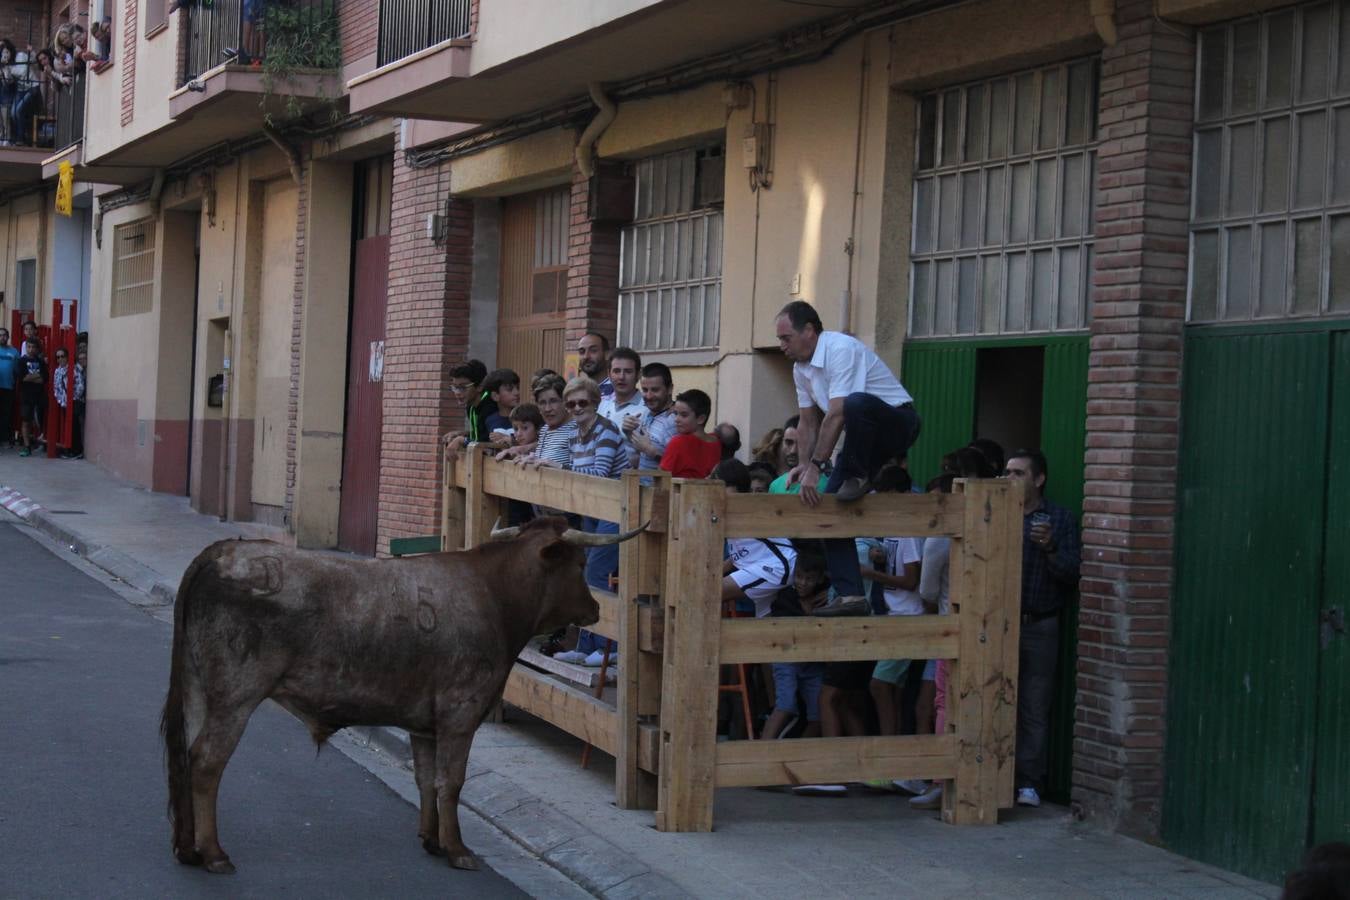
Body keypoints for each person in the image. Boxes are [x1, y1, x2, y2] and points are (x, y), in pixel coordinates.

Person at [776, 300, 919, 617]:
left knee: (855, 404)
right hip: (861, 441)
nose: (781, 345)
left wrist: (817, 467)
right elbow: (808, 421)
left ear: (809, 331)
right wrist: (802, 463)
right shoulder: (801, 368)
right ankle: (852, 595)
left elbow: (837, 413)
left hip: (897, 424)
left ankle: (859, 476)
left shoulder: (841, 348)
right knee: (828, 510)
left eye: (786, 338)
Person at [1003, 449, 1081, 808]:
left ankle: (1029, 783)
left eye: (1018, 473)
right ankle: (997, 777)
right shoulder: (997, 515)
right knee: (996, 698)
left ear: (1038, 479)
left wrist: (1049, 547)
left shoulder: (1060, 519)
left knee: (1034, 705)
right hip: (1000, 623)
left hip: (1040, 624)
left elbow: (1071, 573)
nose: (1009, 479)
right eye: (1007, 472)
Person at [543, 376, 626, 666]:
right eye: (571, 403)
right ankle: (586, 644)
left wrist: (559, 468)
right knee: (585, 574)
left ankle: (608, 648)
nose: (577, 408)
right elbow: (579, 470)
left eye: (582, 402)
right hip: (592, 510)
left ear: (595, 401)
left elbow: (601, 474)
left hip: (615, 509)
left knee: (597, 575)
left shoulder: (606, 430)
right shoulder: (575, 434)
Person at [909, 472, 957, 811]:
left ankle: (940, 780)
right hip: (981, 626)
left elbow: (926, 591)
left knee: (943, 701)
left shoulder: (938, 537)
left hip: (947, 626)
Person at [714, 459, 797, 619]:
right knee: (765, 628)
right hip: (759, 567)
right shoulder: (727, 508)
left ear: (737, 485)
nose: (717, 490)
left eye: (722, 485)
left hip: (777, 567)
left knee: (711, 591)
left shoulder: (746, 507)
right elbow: (740, 554)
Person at [761, 554, 828, 741]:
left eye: (809, 579)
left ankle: (796, 755)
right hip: (787, 659)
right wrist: (811, 612)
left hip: (813, 662)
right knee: (785, 705)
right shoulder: (785, 597)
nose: (803, 583)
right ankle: (763, 752)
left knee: (819, 716)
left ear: (820, 579)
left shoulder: (828, 594)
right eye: (799, 577)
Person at [625, 362, 677, 472]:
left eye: (655, 390)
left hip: (661, 489)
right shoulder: (646, 414)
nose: (648, 396)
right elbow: (640, 453)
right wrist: (628, 432)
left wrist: (650, 451)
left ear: (670, 389)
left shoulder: (675, 420)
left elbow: (679, 464)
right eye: (645, 390)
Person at [660, 389, 722, 479]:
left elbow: (661, 478)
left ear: (701, 419)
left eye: (684, 415)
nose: (676, 419)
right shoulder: (716, 442)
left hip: (682, 492)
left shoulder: (678, 442)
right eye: (676, 413)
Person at [597, 347, 643, 464]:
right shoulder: (601, 406)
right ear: (609, 374)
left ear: (638, 374)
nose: (621, 377)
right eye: (616, 371)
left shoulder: (648, 408)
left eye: (628, 371)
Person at [442, 360, 494, 451]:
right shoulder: (470, 405)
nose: (457, 393)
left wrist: (462, 440)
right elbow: (479, 434)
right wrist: (462, 434)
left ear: (480, 386)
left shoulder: (491, 407)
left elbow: (488, 443)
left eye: (463, 387)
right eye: (455, 387)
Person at [768, 416, 826, 495]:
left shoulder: (827, 484)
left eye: (801, 444)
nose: (793, 451)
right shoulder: (775, 485)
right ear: (782, 443)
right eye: (788, 442)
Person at [52, 346, 84, 459]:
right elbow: (56, 387)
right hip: (64, 403)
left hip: (74, 402)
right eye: (58, 357)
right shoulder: (57, 370)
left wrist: (73, 398)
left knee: (74, 427)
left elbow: (80, 386)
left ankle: (77, 451)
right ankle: (69, 449)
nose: (60, 359)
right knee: (68, 427)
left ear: (67, 357)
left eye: (62, 356)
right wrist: (60, 400)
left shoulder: (74, 369)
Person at [17, 337, 46, 457]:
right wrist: (36, 376)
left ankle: (41, 442)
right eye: (29, 346)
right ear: (26, 347)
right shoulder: (21, 361)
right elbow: (23, 378)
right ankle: (27, 446)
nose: (31, 349)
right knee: (26, 421)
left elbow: (43, 379)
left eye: (33, 347)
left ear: (37, 348)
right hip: (26, 395)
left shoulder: (41, 362)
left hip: (39, 395)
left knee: (40, 420)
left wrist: (31, 376)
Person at [480, 368, 520, 446]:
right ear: (495, 396)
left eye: (517, 388)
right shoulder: (490, 420)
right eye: (510, 389)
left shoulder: (525, 417)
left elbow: (532, 443)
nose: (517, 393)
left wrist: (507, 438)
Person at [577, 332, 613, 398]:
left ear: (607, 354)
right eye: (582, 352)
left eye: (593, 350)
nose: (586, 356)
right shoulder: (575, 391)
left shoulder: (617, 390)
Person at [0, 327, 18, 447]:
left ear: (8, 337)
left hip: (8, 387)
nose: (2, 337)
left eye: (5, 335)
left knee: (6, 414)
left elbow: (18, 369)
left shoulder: (14, 352)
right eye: (0, 335)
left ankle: (3, 439)